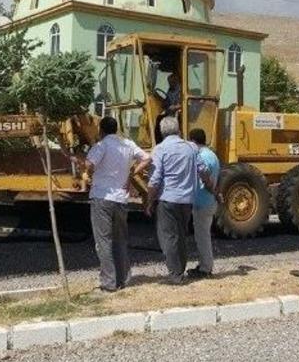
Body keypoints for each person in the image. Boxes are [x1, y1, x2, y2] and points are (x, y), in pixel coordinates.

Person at [145, 117, 217, 285]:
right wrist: (210, 186)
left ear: (162, 132)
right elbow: (203, 171)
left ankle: (175, 275)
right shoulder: (191, 148)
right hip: (187, 201)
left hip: (168, 199)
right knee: (181, 235)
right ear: (178, 130)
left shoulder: (160, 149)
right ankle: (180, 270)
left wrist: (149, 201)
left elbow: (155, 180)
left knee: (168, 237)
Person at [84, 116, 151, 292]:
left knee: (103, 241)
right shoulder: (127, 144)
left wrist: (88, 172)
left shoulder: (101, 146)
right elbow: (147, 158)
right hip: (121, 199)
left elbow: (89, 164)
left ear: (101, 130)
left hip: (102, 197)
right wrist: (131, 174)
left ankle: (109, 283)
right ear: (116, 129)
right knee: (120, 239)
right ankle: (123, 279)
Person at [187, 128, 221, 279]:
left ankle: (205, 268)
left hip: (203, 201)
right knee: (202, 235)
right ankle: (203, 265)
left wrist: (213, 192)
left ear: (193, 141)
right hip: (208, 201)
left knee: (202, 237)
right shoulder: (212, 155)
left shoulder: (202, 156)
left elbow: (205, 177)